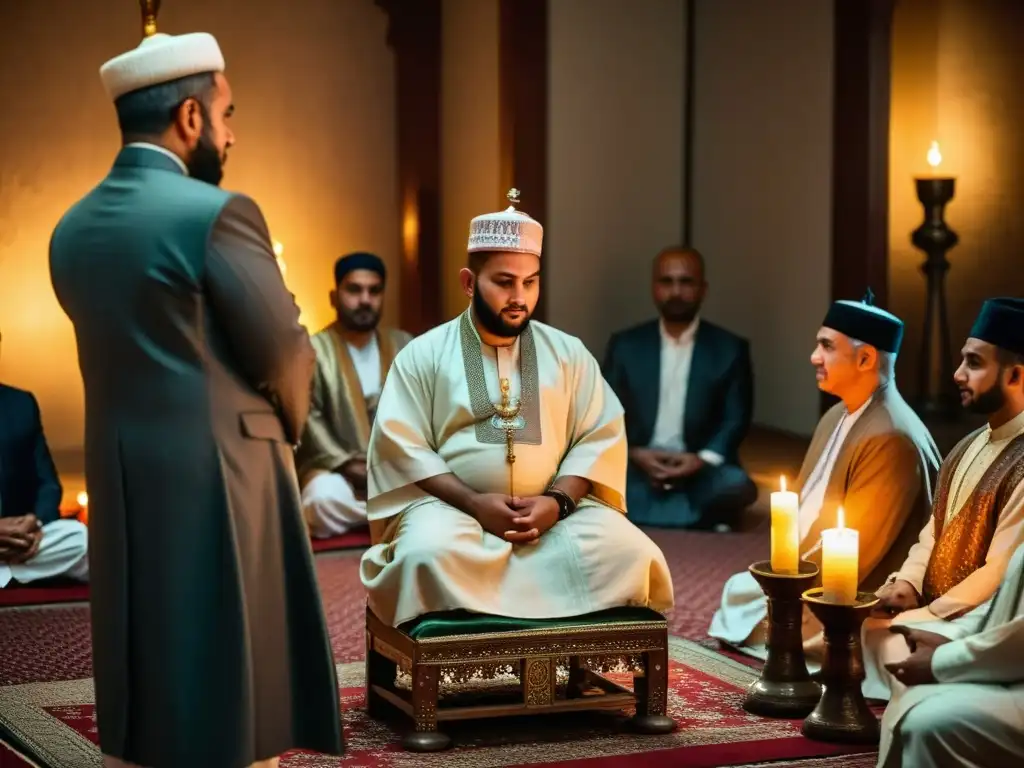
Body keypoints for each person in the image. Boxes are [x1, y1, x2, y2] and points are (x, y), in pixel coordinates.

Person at [47, 20, 343, 768]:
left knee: (149, 651)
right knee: (235, 672)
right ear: (190, 117)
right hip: (230, 475)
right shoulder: (216, 214)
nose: (231, 134)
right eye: (228, 114)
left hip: (120, 479)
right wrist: (290, 429)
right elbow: (285, 352)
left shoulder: (69, 231)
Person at [360, 190, 674, 627]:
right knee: (425, 558)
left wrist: (557, 502)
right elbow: (401, 445)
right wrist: (474, 503)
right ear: (469, 283)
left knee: (633, 554)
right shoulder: (423, 354)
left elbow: (599, 434)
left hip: (557, 520)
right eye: (504, 282)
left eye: (531, 282)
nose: (519, 297)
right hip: (454, 519)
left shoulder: (568, 353)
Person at [709, 291, 940, 657]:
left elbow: (859, 553)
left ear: (865, 358)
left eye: (827, 346)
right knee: (741, 589)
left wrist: (791, 590)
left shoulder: (891, 436)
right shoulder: (838, 414)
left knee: (782, 619)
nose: (814, 357)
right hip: (808, 571)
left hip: (861, 591)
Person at [862, 298, 1024, 701]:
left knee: (885, 641)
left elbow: (999, 572)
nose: (957, 374)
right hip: (934, 607)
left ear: (1016, 374)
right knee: (862, 631)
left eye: (974, 363)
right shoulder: (970, 443)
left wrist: (930, 614)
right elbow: (933, 531)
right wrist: (908, 583)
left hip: (982, 621)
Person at [603, 246, 757, 531]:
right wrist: (636, 454)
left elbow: (735, 419)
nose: (676, 291)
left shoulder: (730, 348)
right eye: (666, 282)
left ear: (703, 289)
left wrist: (699, 460)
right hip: (637, 464)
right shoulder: (626, 345)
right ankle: (700, 517)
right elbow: (604, 411)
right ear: (654, 287)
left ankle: (650, 512)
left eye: (686, 282)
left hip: (699, 467)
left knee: (736, 485)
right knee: (587, 478)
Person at [876, 538, 1024, 767]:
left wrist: (940, 660)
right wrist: (952, 637)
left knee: (928, 720)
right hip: (1006, 662)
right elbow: (1005, 595)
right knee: (903, 661)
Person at [296, 252, 412, 538]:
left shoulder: (405, 345)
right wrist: (351, 466)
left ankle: (385, 514)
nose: (365, 300)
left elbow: (423, 412)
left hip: (396, 470)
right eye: (354, 290)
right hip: (337, 474)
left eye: (374, 291)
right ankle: (386, 517)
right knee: (321, 501)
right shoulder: (312, 351)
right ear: (334, 297)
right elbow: (308, 418)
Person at [0, 329, 89, 588]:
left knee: (78, 537)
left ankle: (8, 570)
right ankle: (12, 573)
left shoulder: (20, 404)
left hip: (21, 542)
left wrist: (34, 523)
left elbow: (48, 483)